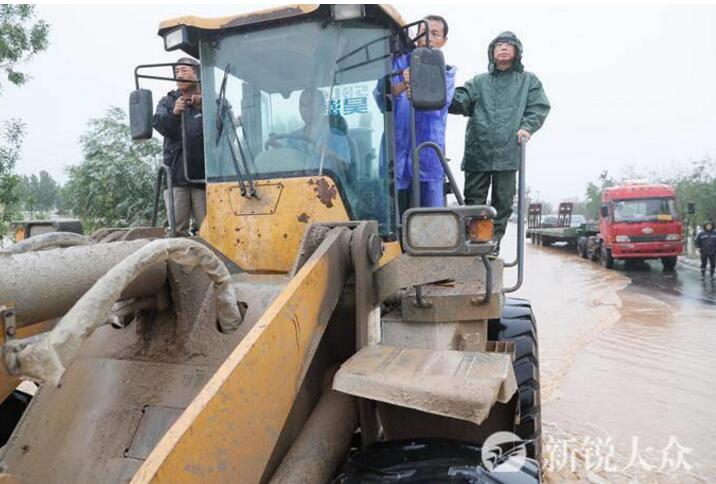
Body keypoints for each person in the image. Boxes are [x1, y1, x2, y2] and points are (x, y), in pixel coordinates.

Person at [449, 31, 550, 252]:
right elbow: (460, 101)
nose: (503, 48)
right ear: (491, 53)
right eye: (498, 45)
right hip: (479, 149)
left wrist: (526, 127)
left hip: (508, 151)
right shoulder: (478, 82)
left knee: (503, 202)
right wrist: (443, 88)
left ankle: (492, 245)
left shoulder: (528, 81)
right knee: (475, 201)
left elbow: (539, 107)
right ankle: (476, 243)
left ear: (516, 52)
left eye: (508, 45)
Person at [390, 15, 456, 211]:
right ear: (416, 36)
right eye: (423, 32)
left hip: (428, 151)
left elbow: (440, 104)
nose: (428, 38)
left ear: (443, 41)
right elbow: (382, 93)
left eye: (435, 34)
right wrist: (404, 83)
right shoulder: (398, 63)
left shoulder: (447, 72)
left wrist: (418, 84)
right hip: (397, 150)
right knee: (394, 215)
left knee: (429, 218)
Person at [152, 56, 206, 235]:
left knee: (210, 231)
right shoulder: (167, 102)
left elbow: (224, 128)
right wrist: (174, 113)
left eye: (184, 70)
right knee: (177, 231)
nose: (179, 75)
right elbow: (160, 126)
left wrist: (202, 108)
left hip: (205, 178)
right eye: (176, 72)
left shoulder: (210, 100)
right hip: (176, 176)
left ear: (197, 73)